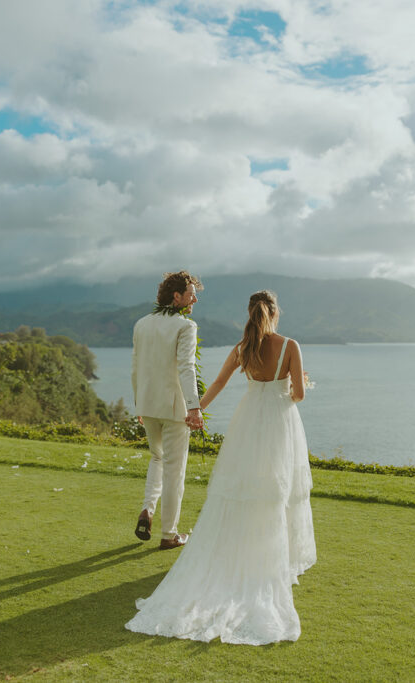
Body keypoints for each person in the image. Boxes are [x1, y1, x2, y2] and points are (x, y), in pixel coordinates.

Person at [125, 290, 316, 645]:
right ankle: (273, 558)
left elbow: (216, 385)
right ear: (275, 313)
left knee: (241, 488)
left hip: (248, 421)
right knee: (278, 488)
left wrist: (193, 411)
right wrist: (292, 384)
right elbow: (299, 395)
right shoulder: (290, 345)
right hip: (279, 422)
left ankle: (241, 550)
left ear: (249, 312)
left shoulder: (242, 348)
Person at [131, 271, 205, 550]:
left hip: (148, 405)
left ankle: (148, 510)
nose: (194, 299)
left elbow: (136, 367)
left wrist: (139, 402)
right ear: (177, 297)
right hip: (175, 409)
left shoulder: (141, 324)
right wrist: (194, 408)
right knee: (174, 471)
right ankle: (169, 534)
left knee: (157, 459)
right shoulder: (186, 326)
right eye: (190, 294)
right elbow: (187, 368)